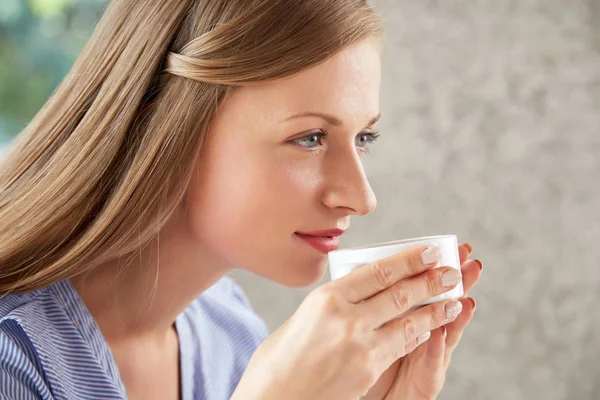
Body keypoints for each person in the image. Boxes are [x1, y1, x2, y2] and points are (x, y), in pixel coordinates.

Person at [0, 0, 483, 399]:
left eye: (363, 139)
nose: (360, 198)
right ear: (170, 130)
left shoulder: (227, 329)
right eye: (311, 138)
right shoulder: (13, 359)